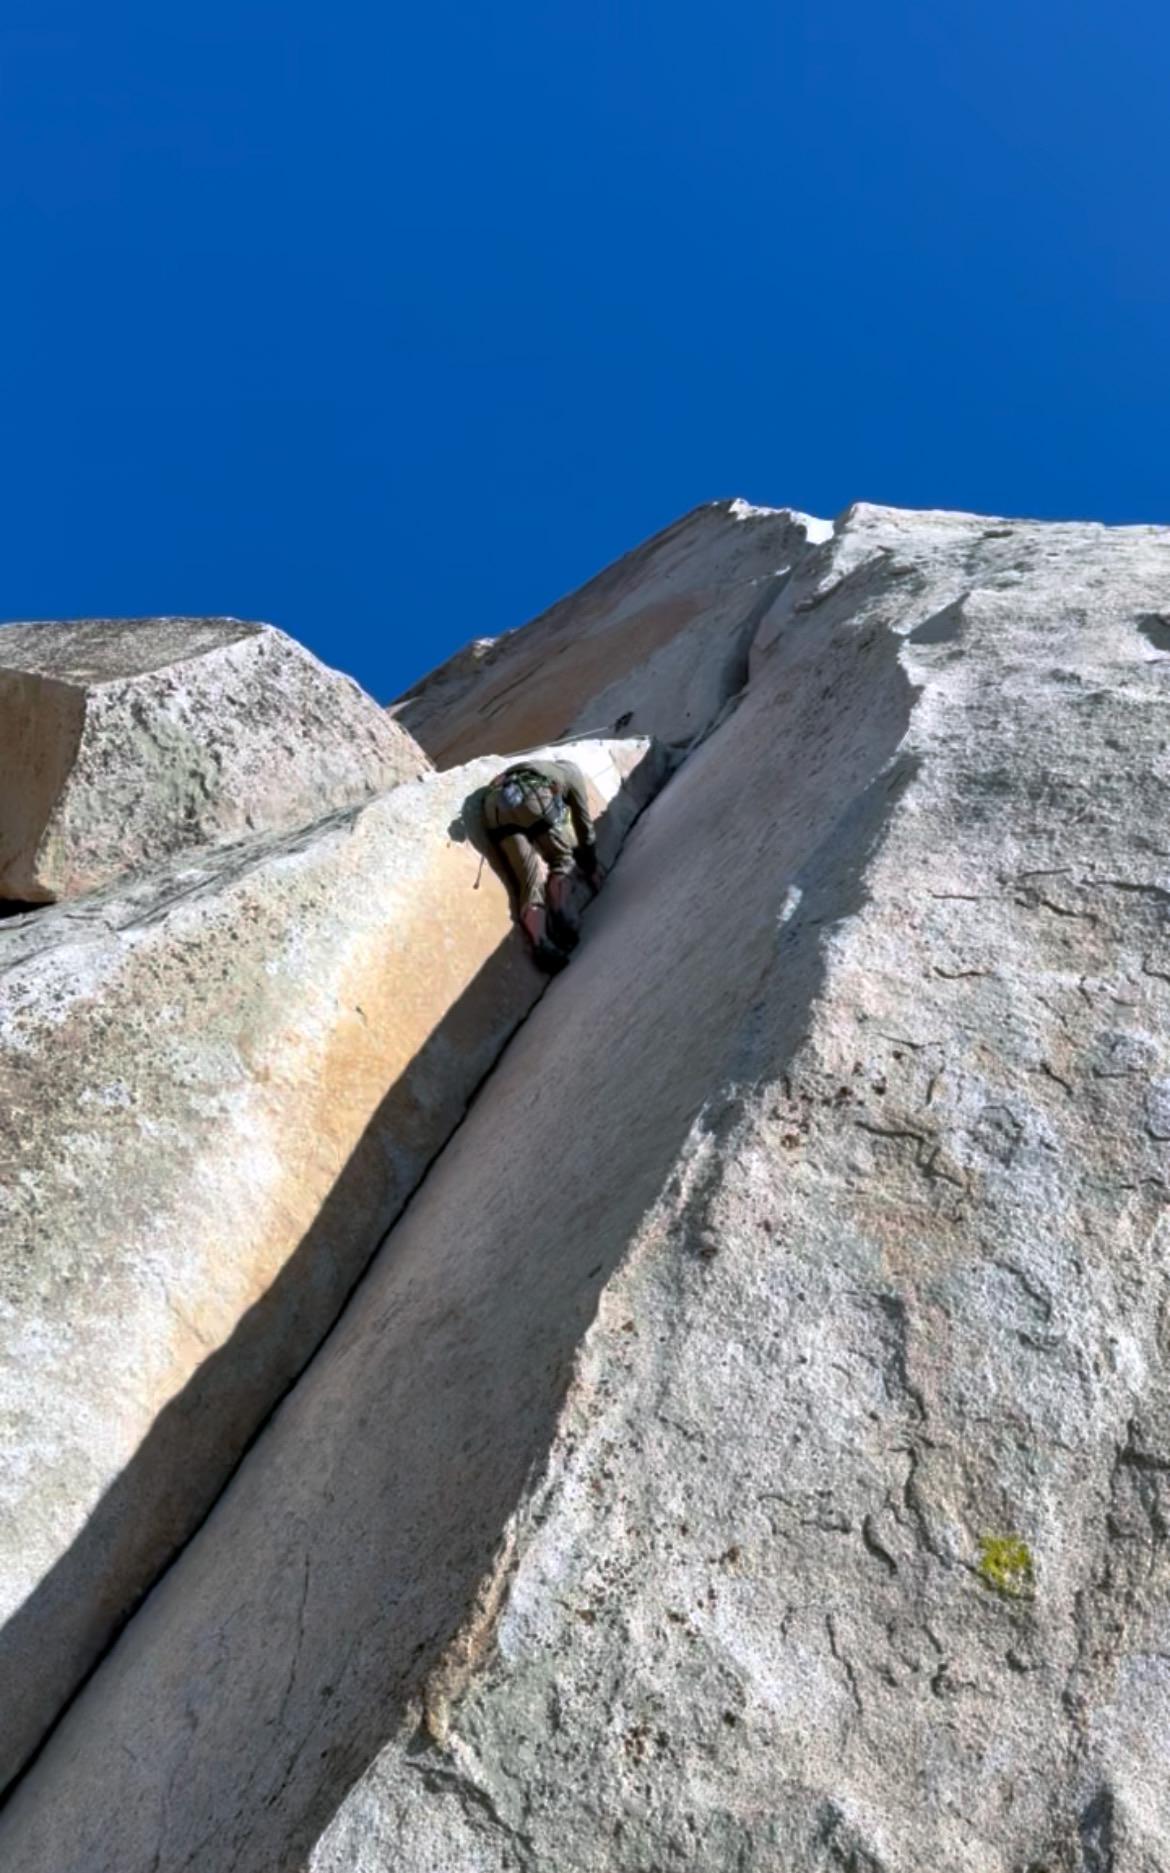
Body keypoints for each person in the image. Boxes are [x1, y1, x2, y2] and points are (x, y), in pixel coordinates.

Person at [482, 757, 604, 972]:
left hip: (495, 806)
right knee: (562, 859)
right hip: (532, 796)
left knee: (528, 880)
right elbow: (583, 824)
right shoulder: (573, 775)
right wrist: (591, 866)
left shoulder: (538, 767)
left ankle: (540, 943)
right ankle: (562, 918)